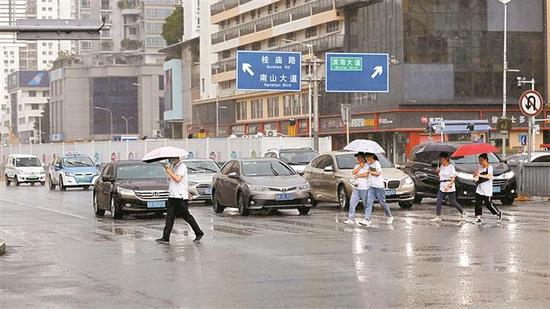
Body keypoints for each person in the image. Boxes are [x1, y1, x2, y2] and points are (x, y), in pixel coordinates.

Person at [156, 157, 204, 244]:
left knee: (186, 216)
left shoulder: (182, 166)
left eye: (173, 158)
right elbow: (174, 181)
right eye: (170, 158)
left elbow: (178, 179)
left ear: (178, 158)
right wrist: (168, 171)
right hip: (173, 195)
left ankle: (199, 232)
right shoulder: (173, 166)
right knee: (169, 217)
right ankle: (165, 237)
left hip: (180, 197)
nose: (171, 160)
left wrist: (170, 172)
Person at [430, 152, 467, 222]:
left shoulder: (451, 167)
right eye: (440, 159)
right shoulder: (441, 166)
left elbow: (453, 178)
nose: (441, 161)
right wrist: (437, 167)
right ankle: (438, 216)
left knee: (453, 202)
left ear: (446, 158)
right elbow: (439, 173)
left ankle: (463, 212)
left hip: (449, 186)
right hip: (442, 186)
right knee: (438, 200)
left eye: (442, 159)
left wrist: (448, 186)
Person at [361, 153, 393, 226]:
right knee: (368, 203)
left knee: (382, 203)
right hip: (371, 187)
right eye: (366, 157)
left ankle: (389, 216)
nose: (366, 158)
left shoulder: (376, 163)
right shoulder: (369, 164)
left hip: (379, 187)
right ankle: (367, 219)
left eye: (367, 157)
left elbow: (378, 173)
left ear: (372, 156)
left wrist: (370, 172)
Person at [473, 153, 502, 224]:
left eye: (481, 160)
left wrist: (480, 175)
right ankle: (478, 218)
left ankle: (498, 213)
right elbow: (474, 176)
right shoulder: (479, 167)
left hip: (487, 190)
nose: (480, 162)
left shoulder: (489, 167)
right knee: (477, 204)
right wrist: (475, 174)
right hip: (479, 189)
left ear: (486, 160)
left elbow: (489, 176)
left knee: (488, 204)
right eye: (479, 160)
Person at [344, 152, 369, 225]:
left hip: (365, 188)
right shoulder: (357, 165)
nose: (357, 159)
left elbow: (367, 174)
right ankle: (350, 218)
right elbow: (353, 172)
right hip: (356, 188)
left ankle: (367, 219)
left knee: (366, 204)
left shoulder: (368, 166)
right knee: (352, 203)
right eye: (357, 157)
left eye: (359, 157)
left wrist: (358, 175)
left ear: (363, 158)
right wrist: (360, 167)